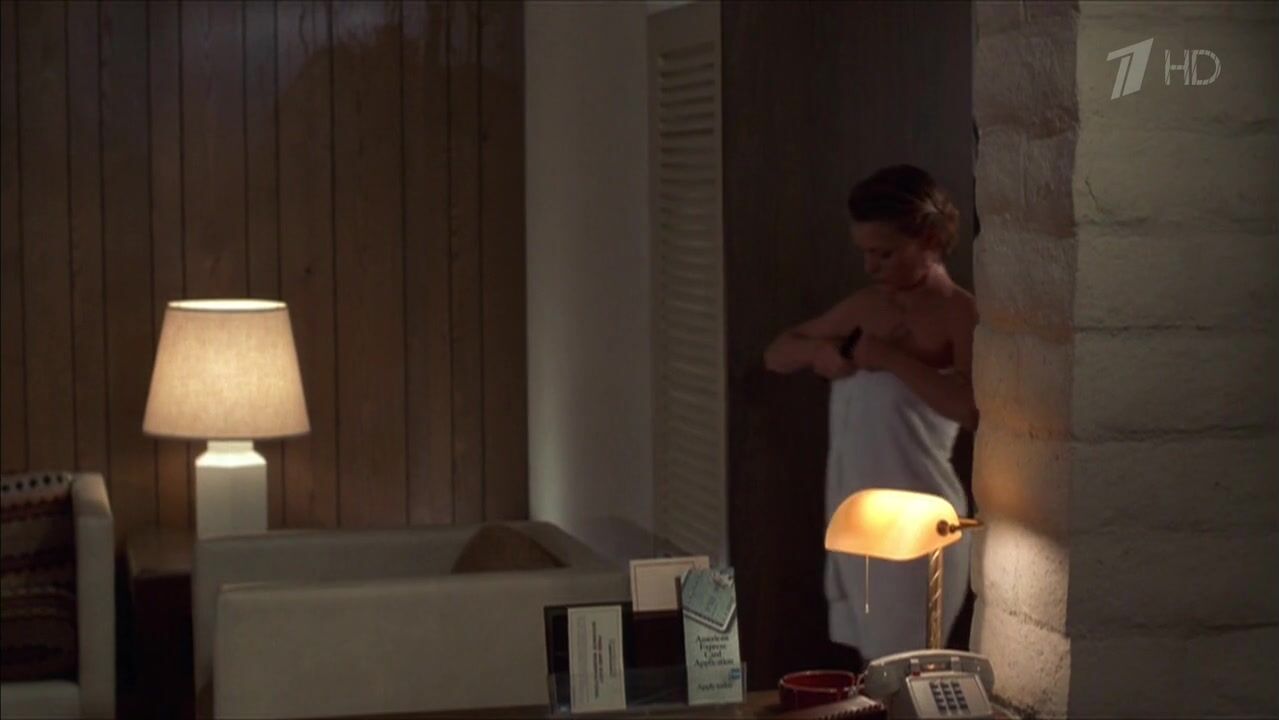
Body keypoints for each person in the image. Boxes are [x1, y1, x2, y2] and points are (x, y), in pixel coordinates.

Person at [763, 164, 977, 663]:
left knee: (905, 664)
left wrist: (889, 358)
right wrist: (821, 353)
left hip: (918, 522)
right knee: (873, 669)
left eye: (885, 253)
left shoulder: (958, 313)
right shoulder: (866, 306)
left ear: (929, 240)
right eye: (864, 253)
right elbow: (777, 353)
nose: (870, 266)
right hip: (858, 516)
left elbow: (972, 410)